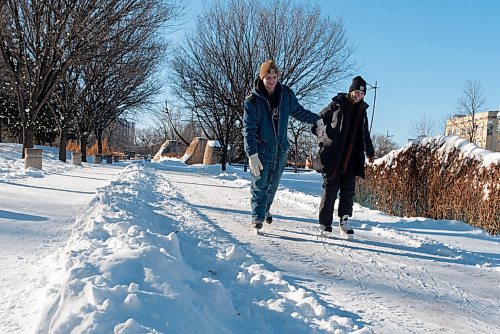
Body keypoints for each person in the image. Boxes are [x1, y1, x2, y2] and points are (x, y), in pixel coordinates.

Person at [243, 60, 325, 230]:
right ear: (262, 78)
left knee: (273, 185)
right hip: (261, 149)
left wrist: (316, 119)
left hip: (280, 149)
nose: (272, 80)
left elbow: (299, 112)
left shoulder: (286, 95)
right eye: (268, 77)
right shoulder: (252, 101)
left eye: (274, 77)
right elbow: (248, 130)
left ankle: (265, 210)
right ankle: (257, 216)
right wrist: (252, 154)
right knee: (260, 183)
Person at [312, 75, 375, 236]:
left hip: (352, 157)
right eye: (356, 92)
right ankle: (325, 224)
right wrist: (319, 131)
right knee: (330, 190)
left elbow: (365, 133)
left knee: (348, 191)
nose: (358, 96)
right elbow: (319, 118)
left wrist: (370, 151)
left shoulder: (362, 111)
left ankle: (344, 221)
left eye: (361, 94)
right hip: (334, 155)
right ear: (350, 91)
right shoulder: (337, 104)